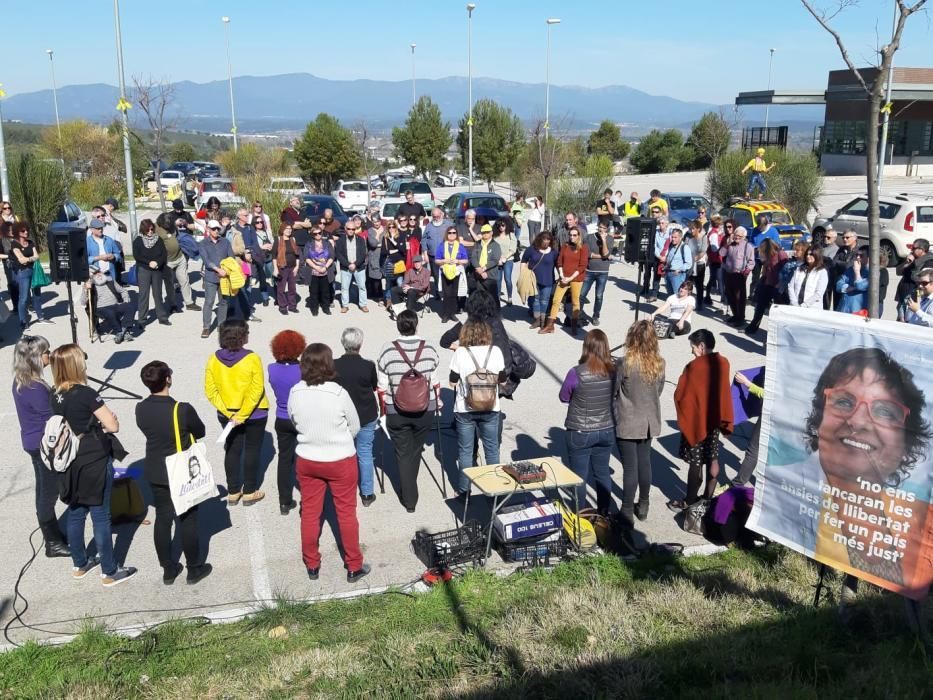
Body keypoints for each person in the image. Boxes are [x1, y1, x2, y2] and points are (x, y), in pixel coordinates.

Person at [757, 348, 933, 598]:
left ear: (906, 439)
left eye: (884, 410)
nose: (858, 421)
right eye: (844, 401)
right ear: (820, 417)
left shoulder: (909, 517)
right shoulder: (782, 492)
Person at [49, 344, 137, 586]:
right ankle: (109, 571)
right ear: (74, 365)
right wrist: (108, 422)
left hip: (69, 459)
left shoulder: (54, 394)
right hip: (93, 458)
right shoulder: (86, 393)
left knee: (76, 513)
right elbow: (113, 425)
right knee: (100, 516)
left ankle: (80, 563)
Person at [289, 343, 370, 583]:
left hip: (308, 458)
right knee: (346, 513)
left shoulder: (296, 391)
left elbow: (294, 421)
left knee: (310, 513)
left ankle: (311, 563)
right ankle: (354, 565)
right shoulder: (337, 392)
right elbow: (355, 426)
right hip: (339, 459)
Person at [134, 361, 213, 585]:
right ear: (167, 379)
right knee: (187, 520)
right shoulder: (182, 409)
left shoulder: (141, 408)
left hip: (156, 469)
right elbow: (200, 431)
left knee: (162, 518)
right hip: (180, 471)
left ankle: (168, 569)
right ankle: (194, 568)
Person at [376, 311, 441, 512]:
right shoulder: (429, 348)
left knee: (404, 452)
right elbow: (435, 380)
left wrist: (382, 410)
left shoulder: (387, 350)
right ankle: (410, 486)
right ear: (416, 325)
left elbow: (382, 385)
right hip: (425, 408)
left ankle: (409, 498)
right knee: (415, 449)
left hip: (397, 409)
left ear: (398, 326)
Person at [12, 335, 69, 557]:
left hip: (33, 441)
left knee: (43, 489)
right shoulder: (33, 387)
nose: (50, 355)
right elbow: (51, 415)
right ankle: (52, 543)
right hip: (42, 444)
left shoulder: (25, 379)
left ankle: (53, 535)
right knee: (48, 493)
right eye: (46, 352)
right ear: (36, 357)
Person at [204, 320, 268, 506]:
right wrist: (243, 414)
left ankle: (233, 491)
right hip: (254, 413)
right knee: (252, 450)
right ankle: (249, 491)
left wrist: (230, 412)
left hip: (227, 414)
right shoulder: (252, 358)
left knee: (232, 449)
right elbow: (256, 389)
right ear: (242, 337)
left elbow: (210, 391)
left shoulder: (213, 359)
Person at [669, 330, 734, 509]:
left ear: (702, 346)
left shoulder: (694, 367)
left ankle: (690, 500)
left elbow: (682, 395)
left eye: (693, 348)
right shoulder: (724, 362)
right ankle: (707, 499)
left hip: (697, 422)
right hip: (714, 421)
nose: (692, 352)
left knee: (696, 463)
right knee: (713, 458)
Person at [613, 320, 665, 526]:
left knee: (630, 467)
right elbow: (658, 390)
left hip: (627, 420)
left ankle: (626, 509)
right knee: (645, 463)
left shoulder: (625, 362)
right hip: (649, 420)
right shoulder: (659, 362)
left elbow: (615, 390)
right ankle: (643, 505)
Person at [559, 329, 616, 515]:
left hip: (580, 430)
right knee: (602, 473)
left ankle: (581, 513)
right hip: (606, 428)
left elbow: (564, 397)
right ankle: (604, 512)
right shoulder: (613, 371)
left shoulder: (576, 372)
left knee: (579, 477)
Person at [450, 319, 506, 496]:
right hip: (490, 406)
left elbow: (452, 381)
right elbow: (502, 379)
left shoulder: (460, 353)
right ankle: (493, 489)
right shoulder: (495, 351)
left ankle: (464, 489)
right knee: (491, 449)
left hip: (465, 408)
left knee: (465, 451)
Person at [335, 328, 380, 506]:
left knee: (344, 455)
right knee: (365, 454)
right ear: (360, 344)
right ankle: (367, 493)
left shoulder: (334, 365)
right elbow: (374, 386)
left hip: (343, 416)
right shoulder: (368, 365)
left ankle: (344, 489)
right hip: (366, 414)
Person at [266, 330, 305, 516]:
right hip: (301, 418)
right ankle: (308, 497)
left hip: (282, 417)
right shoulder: (303, 370)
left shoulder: (271, 369)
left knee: (284, 459)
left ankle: (284, 501)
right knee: (305, 458)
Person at [541, 226, 588, 336]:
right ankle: (550, 325)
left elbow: (582, 266)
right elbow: (559, 261)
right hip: (564, 277)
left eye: (574, 235)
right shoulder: (565, 246)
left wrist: (570, 278)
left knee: (575, 302)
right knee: (556, 300)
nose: (572, 237)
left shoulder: (583, 247)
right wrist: (562, 275)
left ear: (579, 236)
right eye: (570, 235)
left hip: (576, 278)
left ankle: (574, 326)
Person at [132, 219, 171, 331]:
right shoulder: (138, 240)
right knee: (143, 295)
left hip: (157, 270)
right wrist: (149, 262)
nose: (150, 231)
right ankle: (142, 319)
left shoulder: (158, 240)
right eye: (147, 230)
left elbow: (163, 254)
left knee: (158, 294)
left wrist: (157, 263)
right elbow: (137, 256)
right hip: (144, 269)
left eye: (151, 229)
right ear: (143, 230)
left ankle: (162, 317)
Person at [197, 220, 233, 338]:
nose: (216, 231)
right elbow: (206, 261)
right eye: (214, 229)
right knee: (209, 302)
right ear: (208, 229)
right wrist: (218, 270)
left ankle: (221, 326)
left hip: (224, 278)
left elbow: (231, 258)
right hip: (211, 277)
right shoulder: (203, 243)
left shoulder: (225, 242)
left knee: (223, 302)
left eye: (218, 229)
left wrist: (227, 271)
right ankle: (206, 327)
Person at [9, 221, 49, 329]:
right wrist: (30, 259)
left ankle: (40, 317)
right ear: (18, 232)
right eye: (23, 231)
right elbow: (21, 260)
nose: (26, 232)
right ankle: (23, 321)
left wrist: (28, 259)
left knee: (37, 295)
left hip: (34, 271)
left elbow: (37, 256)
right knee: (24, 297)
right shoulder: (15, 244)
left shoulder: (30, 242)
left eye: (27, 230)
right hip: (23, 272)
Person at [79, 267, 134, 343]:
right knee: (110, 312)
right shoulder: (89, 286)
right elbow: (83, 302)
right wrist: (85, 290)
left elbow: (123, 291)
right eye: (95, 273)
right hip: (100, 308)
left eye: (99, 271)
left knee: (130, 306)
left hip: (115, 305)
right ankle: (120, 331)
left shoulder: (110, 280)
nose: (98, 274)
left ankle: (122, 331)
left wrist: (125, 300)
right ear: (90, 276)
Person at [745, 238, 787, 335]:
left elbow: (785, 271)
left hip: (777, 286)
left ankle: (777, 332)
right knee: (759, 306)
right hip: (768, 283)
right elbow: (766, 269)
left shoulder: (781, 254)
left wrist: (780, 284)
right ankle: (753, 326)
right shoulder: (768, 256)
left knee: (777, 311)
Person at [521, 231, 558, 330]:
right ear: (540, 239)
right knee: (536, 300)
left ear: (551, 241)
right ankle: (537, 320)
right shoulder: (532, 250)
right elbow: (524, 260)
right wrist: (522, 274)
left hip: (548, 280)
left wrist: (562, 275)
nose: (546, 241)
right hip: (533, 279)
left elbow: (558, 265)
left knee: (545, 301)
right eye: (544, 239)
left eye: (548, 239)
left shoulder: (554, 252)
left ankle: (543, 321)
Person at [722, 224, 755, 327]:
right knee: (730, 295)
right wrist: (727, 244)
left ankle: (741, 318)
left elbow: (751, 262)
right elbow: (721, 253)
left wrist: (746, 271)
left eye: (740, 236)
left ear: (744, 237)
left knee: (739, 297)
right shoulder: (730, 244)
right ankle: (735, 315)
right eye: (736, 235)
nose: (737, 237)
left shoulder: (747, 246)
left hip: (739, 275)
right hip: (729, 273)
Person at [580, 221, 611, 326]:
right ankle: (578, 314)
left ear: (607, 230)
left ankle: (595, 316)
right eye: (600, 227)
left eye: (603, 228)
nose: (601, 229)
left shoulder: (610, 238)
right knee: (582, 294)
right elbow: (588, 254)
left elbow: (606, 253)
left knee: (599, 295)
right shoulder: (589, 237)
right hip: (589, 271)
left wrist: (603, 240)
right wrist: (603, 257)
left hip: (603, 272)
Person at [436, 226, 469, 323]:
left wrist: (458, 261)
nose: (452, 234)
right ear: (447, 234)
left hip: (456, 271)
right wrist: (444, 260)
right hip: (445, 271)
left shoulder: (460, 246)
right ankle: (446, 314)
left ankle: (452, 313)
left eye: (454, 233)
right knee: (446, 293)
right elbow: (437, 260)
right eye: (450, 233)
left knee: (454, 293)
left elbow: (466, 260)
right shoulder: (442, 245)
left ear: (456, 234)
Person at [895, 238, 933, 322]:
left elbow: (920, 279)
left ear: (921, 250)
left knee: (908, 320)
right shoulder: (911, 258)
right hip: (904, 294)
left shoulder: (929, 261)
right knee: (901, 319)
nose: (911, 249)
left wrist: (914, 264)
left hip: (915, 296)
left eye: (914, 248)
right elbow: (898, 271)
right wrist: (907, 262)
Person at [336, 218, 369, 314]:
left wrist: (355, 264)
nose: (351, 231)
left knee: (362, 286)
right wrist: (348, 264)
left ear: (355, 229)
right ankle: (345, 305)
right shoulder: (340, 240)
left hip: (359, 267)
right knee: (344, 287)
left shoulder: (361, 240)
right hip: (345, 267)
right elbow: (339, 254)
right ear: (345, 229)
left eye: (353, 229)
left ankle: (363, 304)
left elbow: (363, 254)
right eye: (349, 229)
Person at [304, 227, 335, 316]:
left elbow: (331, 257)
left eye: (319, 233)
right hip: (313, 271)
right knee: (313, 292)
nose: (318, 235)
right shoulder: (309, 244)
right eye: (315, 233)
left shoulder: (327, 243)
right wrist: (316, 268)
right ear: (312, 235)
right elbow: (307, 258)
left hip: (325, 270)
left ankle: (326, 308)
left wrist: (325, 267)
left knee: (325, 291)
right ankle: (314, 309)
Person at [271, 223, 300, 315]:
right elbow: (274, 256)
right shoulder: (278, 240)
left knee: (292, 288)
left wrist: (297, 267)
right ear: (282, 229)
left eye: (290, 228)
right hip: (282, 267)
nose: (289, 230)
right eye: (287, 228)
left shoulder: (293, 239)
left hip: (292, 267)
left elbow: (297, 255)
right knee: (281, 288)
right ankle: (282, 306)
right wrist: (275, 269)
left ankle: (292, 306)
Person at [659, 225, 693, 297]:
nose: (673, 239)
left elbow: (689, 263)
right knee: (671, 297)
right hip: (668, 273)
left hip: (678, 275)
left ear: (680, 238)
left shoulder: (685, 247)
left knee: (678, 296)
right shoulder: (671, 245)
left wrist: (679, 270)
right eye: (672, 237)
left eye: (675, 237)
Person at [422, 207, 451, 295]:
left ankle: (447, 291)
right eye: (434, 216)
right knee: (436, 275)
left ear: (442, 215)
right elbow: (424, 240)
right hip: (432, 256)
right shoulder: (429, 226)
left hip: (446, 256)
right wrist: (425, 253)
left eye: (437, 216)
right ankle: (439, 292)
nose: (436, 218)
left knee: (446, 274)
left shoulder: (449, 225)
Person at [835, 246, 870, 314]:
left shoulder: (871, 273)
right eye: (857, 255)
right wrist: (851, 288)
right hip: (843, 309)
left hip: (858, 311)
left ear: (869, 258)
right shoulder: (850, 269)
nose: (858, 258)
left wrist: (857, 272)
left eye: (861, 256)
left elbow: (860, 286)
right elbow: (838, 285)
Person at [381, 220, 407, 308]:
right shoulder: (385, 238)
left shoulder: (401, 236)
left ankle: (400, 299)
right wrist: (396, 250)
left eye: (393, 227)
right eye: (389, 227)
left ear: (396, 227)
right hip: (389, 263)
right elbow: (383, 252)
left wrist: (393, 241)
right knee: (389, 283)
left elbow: (403, 250)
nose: (391, 229)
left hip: (399, 264)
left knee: (400, 282)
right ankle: (389, 300)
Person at [493, 219, 517, 305]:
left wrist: (505, 258)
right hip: (498, 260)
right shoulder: (495, 236)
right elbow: (493, 249)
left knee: (507, 279)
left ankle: (510, 297)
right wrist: (498, 259)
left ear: (507, 225)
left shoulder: (511, 235)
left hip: (508, 259)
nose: (501, 227)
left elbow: (513, 249)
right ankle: (498, 296)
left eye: (503, 225)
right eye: (499, 225)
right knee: (498, 279)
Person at [687, 219, 709, 311]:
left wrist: (695, 258)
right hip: (689, 264)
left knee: (699, 285)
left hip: (699, 264)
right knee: (689, 284)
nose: (691, 231)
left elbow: (703, 251)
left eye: (693, 229)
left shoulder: (703, 237)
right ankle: (688, 303)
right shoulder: (688, 237)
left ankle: (699, 303)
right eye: (690, 229)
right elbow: (685, 247)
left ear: (698, 229)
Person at [366, 216, 387, 304]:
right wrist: (379, 236)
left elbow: (387, 243)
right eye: (374, 222)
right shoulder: (370, 231)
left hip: (385, 256)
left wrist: (380, 244)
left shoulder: (386, 229)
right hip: (374, 257)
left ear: (380, 221)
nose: (376, 223)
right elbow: (373, 243)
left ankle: (389, 296)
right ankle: (379, 297)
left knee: (387, 277)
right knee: (376, 279)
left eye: (378, 221)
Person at [706, 214, 725, 305]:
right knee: (720, 278)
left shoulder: (716, 232)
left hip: (714, 259)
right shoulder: (714, 234)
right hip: (716, 259)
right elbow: (714, 248)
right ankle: (723, 297)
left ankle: (707, 295)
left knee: (713, 277)